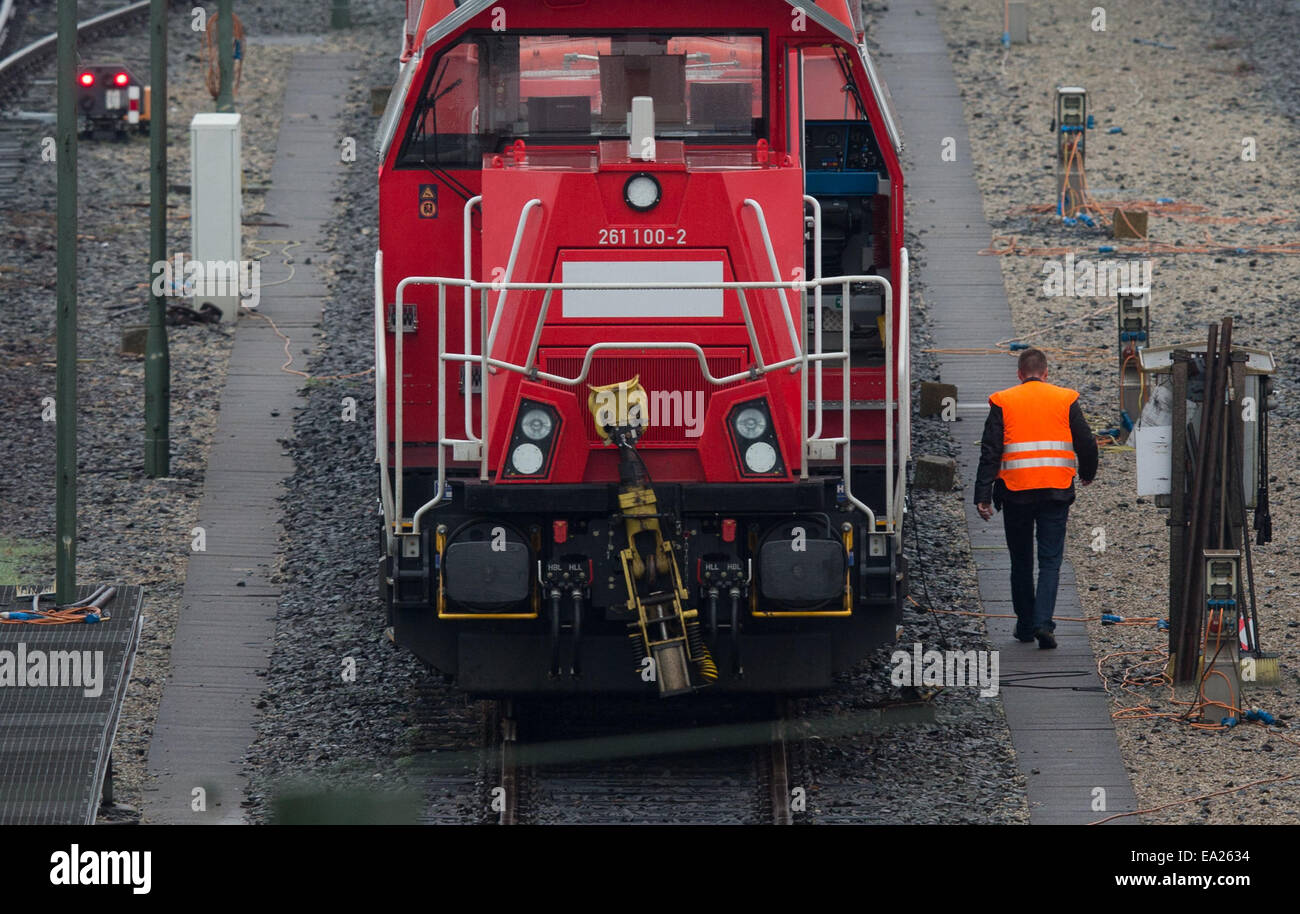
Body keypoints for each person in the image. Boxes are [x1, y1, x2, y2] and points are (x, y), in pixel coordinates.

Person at [974, 348, 1098, 648]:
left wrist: (983, 495)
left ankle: (1026, 625)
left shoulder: (1003, 401)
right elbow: (1086, 440)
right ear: (1046, 372)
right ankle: (1044, 623)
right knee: (1051, 560)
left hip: (1015, 491)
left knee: (1020, 560)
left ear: (1019, 374)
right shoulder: (1065, 399)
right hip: (1055, 490)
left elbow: (990, 450)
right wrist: (1087, 472)